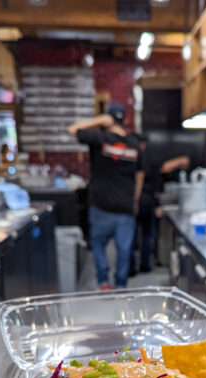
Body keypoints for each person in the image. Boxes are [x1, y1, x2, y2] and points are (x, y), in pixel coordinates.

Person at [68, 103, 144, 289]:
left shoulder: (100, 139)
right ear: (124, 120)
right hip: (125, 207)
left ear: (107, 118)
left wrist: (99, 120)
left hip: (100, 206)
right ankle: (120, 286)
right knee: (124, 250)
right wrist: (135, 200)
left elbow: (72, 129)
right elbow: (139, 176)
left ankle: (103, 282)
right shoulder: (134, 146)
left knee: (98, 246)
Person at [129, 134, 190, 274]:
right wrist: (180, 160)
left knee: (131, 237)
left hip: (132, 202)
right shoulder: (146, 158)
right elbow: (165, 167)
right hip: (145, 201)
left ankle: (131, 268)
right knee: (146, 235)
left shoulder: (129, 159)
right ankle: (145, 266)